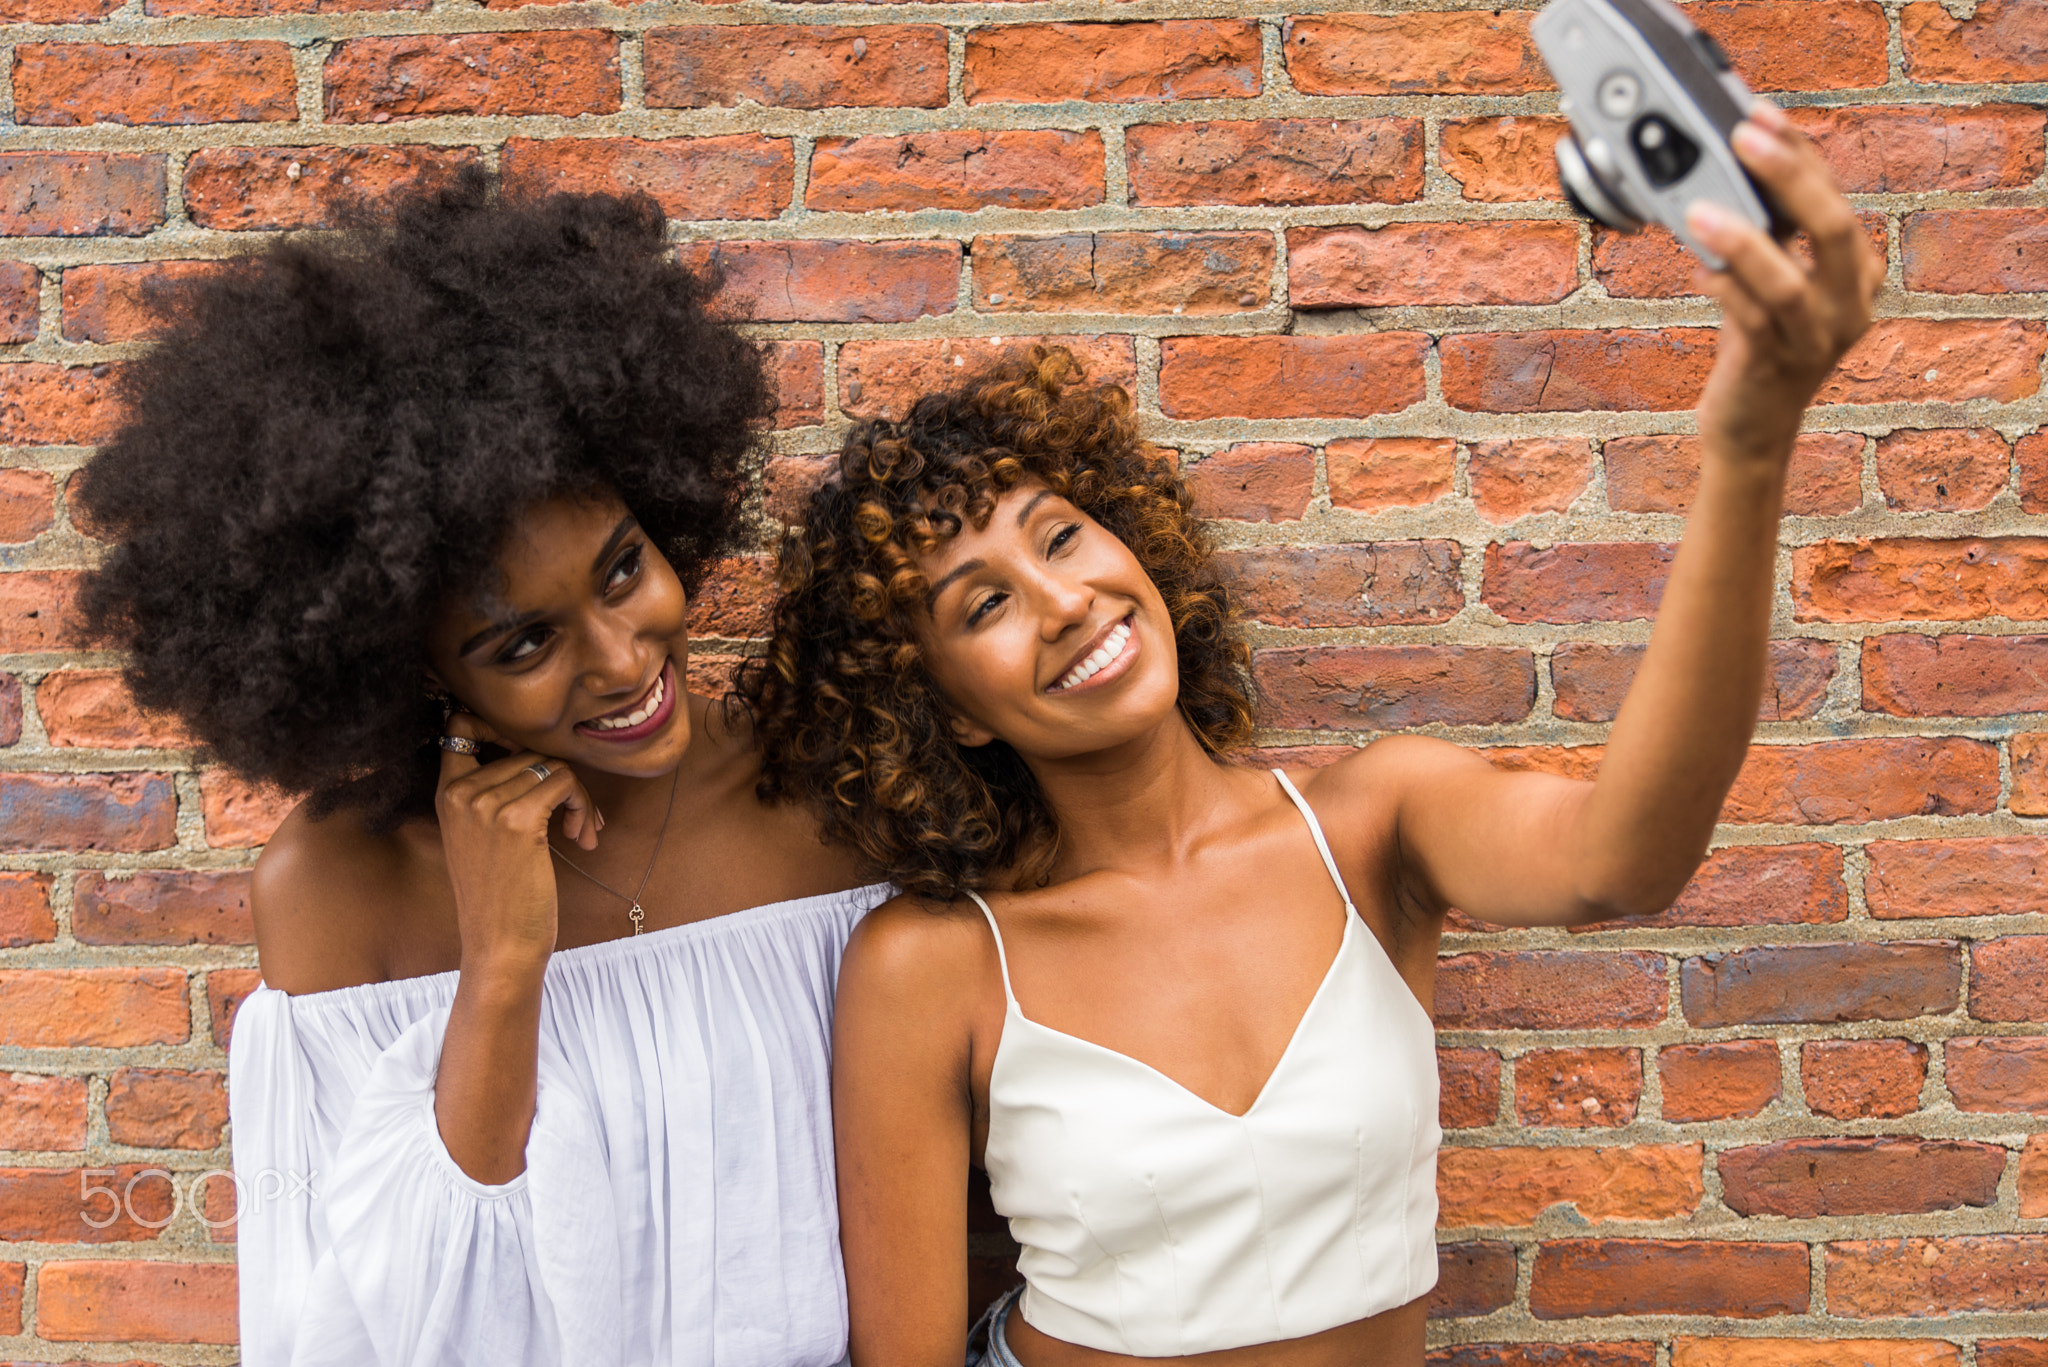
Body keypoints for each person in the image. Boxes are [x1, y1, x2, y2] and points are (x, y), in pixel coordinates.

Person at [743, 106, 1880, 1367]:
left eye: (1061, 535)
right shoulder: (933, 964)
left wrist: (1746, 442)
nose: (1063, 601)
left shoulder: (1371, 823)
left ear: (1131, 541)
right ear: (946, 704)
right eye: (986, 603)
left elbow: (1624, 858)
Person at [70, 169, 885, 1366]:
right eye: (523, 641)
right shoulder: (337, 887)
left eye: (622, 570)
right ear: (411, 665)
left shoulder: (827, 804)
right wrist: (501, 962)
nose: (619, 657)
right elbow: (378, 1327)